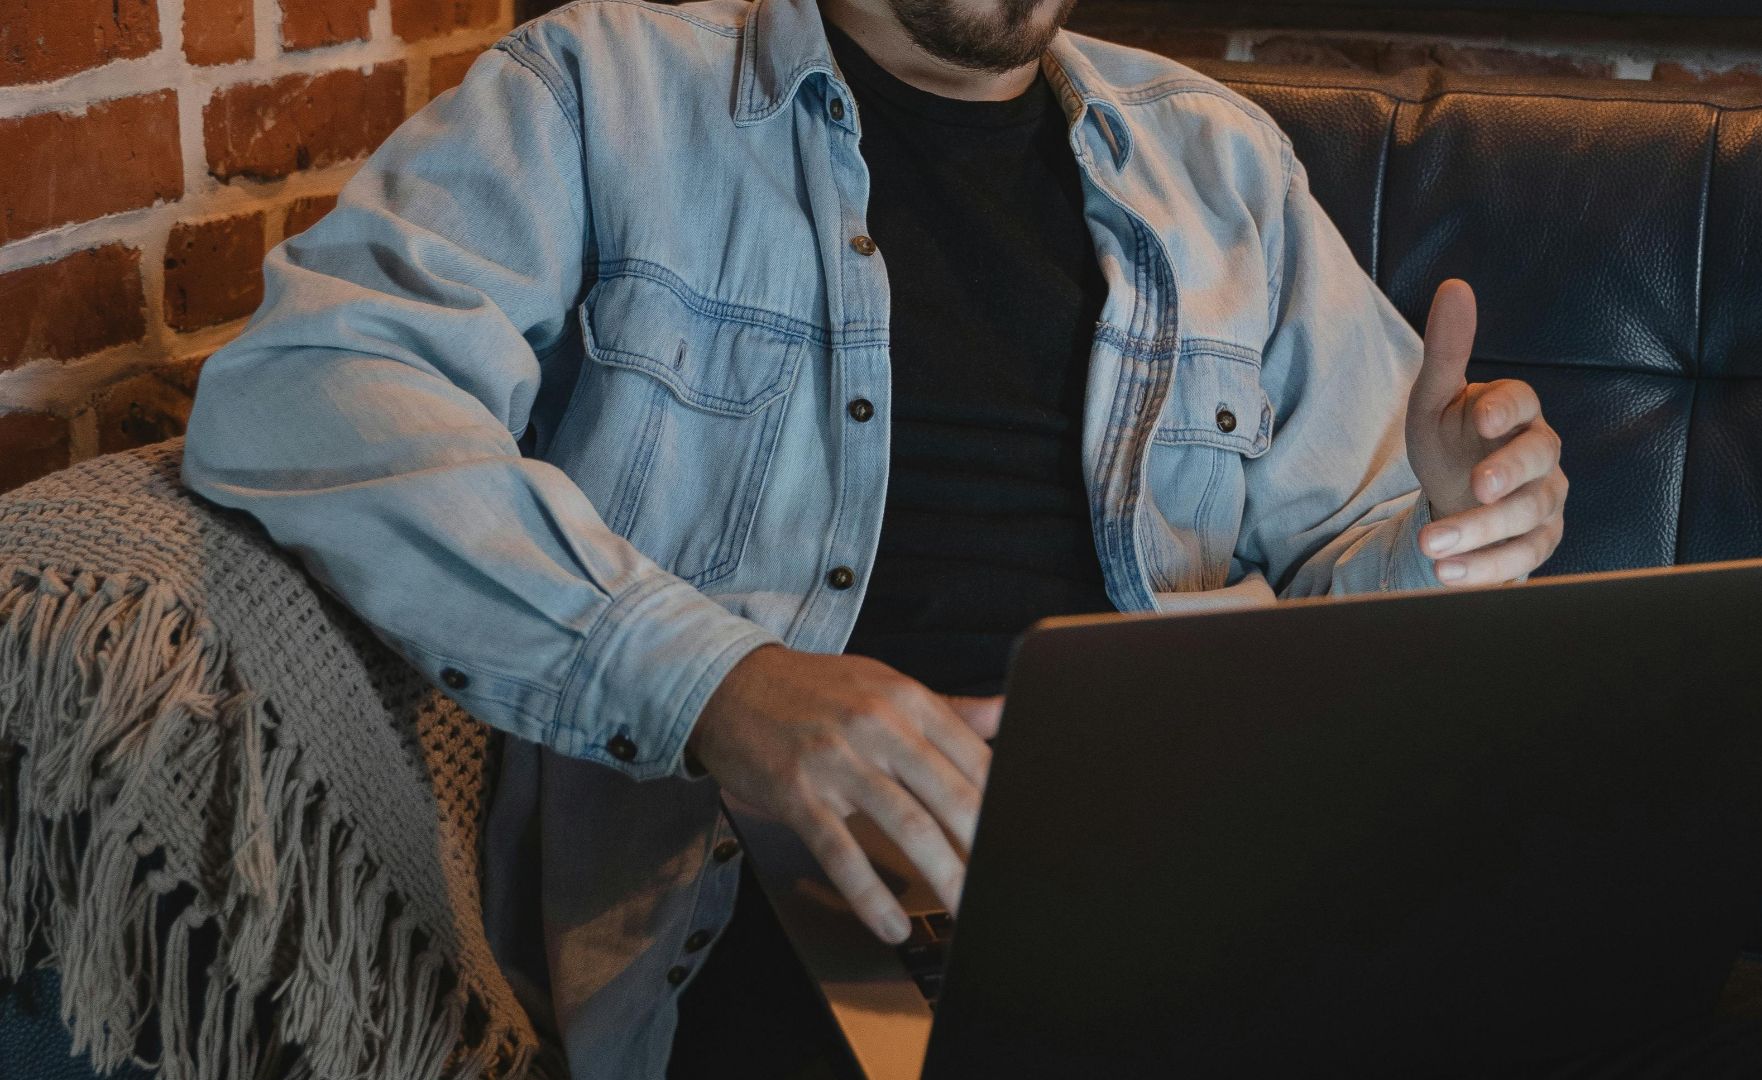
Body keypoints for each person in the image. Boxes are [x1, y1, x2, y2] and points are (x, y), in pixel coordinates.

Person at [185, 0, 1578, 1075]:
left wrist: (1446, 531)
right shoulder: (598, 91)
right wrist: (713, 683)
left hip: (1188, 879)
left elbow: (1353, 550)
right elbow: (307, 392)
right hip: (765, 896)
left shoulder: (1213, 159)